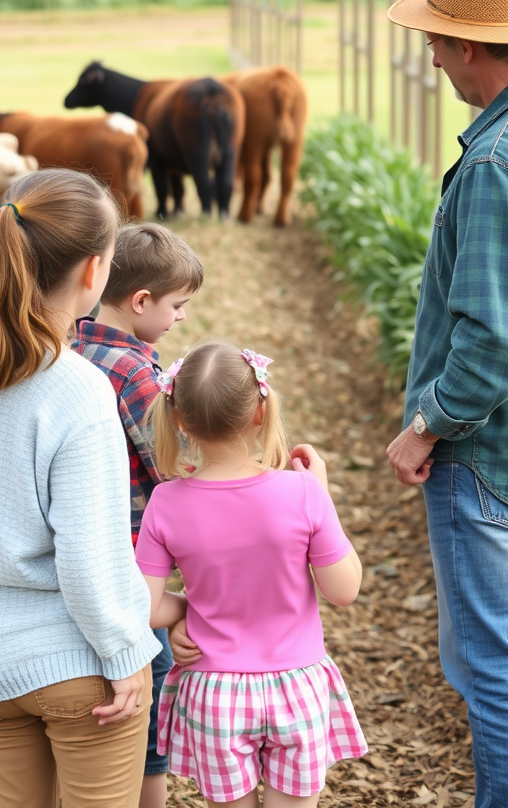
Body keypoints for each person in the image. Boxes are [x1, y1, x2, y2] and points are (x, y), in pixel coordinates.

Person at [386, 0, 508, 808]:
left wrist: (425, 425)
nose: (428, 56)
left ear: (470, 46)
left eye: (435, 40)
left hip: (488, 454)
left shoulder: (500, 162)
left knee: (491, 667)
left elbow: (492, 346)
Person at [135, 341, 367, 808]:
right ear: (261, 412)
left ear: (177, 419)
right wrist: (321, 497)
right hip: (296, 687)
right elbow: (344, 590)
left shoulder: (166, 502)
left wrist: (185, 611)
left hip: (213, 693)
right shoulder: (302, 492)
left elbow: (143, 606)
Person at [0, 168, 162, 808]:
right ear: (95, 272)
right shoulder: (78, 388)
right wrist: (127, 655)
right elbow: (89, 557)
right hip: (82, 667)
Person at [73, 221, 204, 808]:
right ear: (141, 301)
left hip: (77, 552)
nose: (180, 319)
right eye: (177, 306)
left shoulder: (71, 345)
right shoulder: (133, 371)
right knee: (147, 688)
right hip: (130, 560)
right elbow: (173, 464)